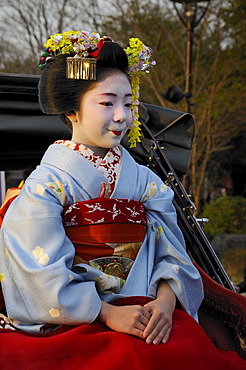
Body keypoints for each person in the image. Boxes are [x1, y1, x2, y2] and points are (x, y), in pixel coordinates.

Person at [0, 31, 245, 370]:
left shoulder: (144, 180)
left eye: (128, 103)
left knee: (194, 351)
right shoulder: (46, 185)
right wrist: (108, 312)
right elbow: (40, 272)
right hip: (77, 317)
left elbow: (171, 252)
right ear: (72, 109)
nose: (121, 116)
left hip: (149, 309)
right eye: (107, 103)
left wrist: (165, 301)